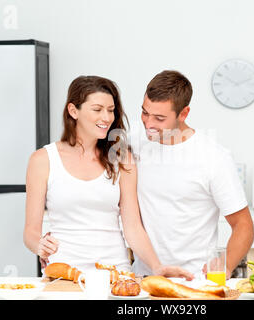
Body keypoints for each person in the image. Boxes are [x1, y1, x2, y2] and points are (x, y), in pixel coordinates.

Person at [23, 75, 193, 279]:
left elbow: (132, 226)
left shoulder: (122, 158)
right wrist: (39, 245)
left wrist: (156, 267)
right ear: (73, 110)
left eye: (111, 110)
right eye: (97, 109)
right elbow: (30, 232)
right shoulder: (42, 160)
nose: (106, 117)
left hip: (114, 272)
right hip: (62, 273)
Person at [130, 70, 254, 278]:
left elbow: (243, 226)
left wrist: (225, 265)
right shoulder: (135, 146)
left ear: (184, 113)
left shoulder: (213, 157)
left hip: (195, 280)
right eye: (145, 113)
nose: (149, 124)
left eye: (159, 118)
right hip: (145, 278)